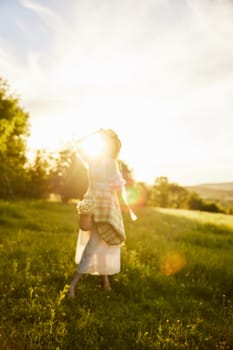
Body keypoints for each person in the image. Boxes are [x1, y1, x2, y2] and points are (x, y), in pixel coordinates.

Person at [68, 129, 126, 298]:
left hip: (106, 206)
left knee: (95, 243)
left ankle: (76, 285)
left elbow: (117, 186)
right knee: (95, 242)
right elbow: (79, 146)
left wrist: (116, 182)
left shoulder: (110, 163)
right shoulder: (93, 160)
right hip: (92, 204)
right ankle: (100, 283)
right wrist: (91, 135)